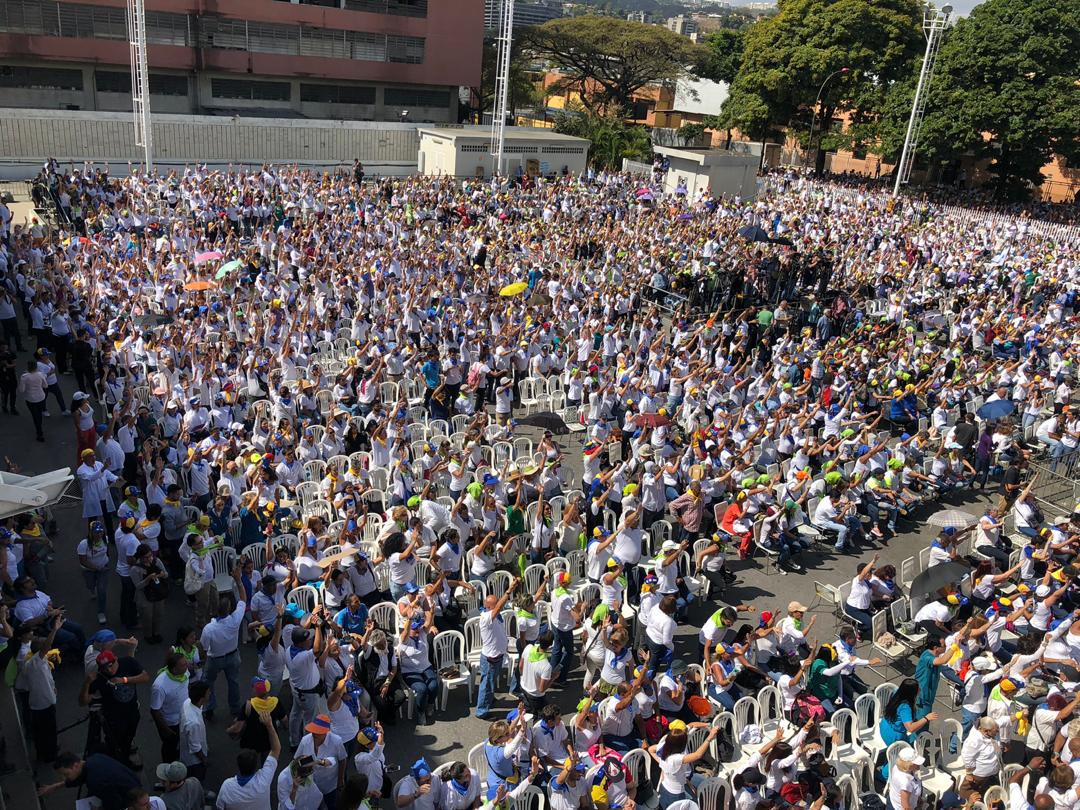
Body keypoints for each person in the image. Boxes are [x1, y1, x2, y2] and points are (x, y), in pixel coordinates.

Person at [215, 711, 282, 810]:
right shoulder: (263, 780)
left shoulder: (227, 786)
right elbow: (276, 749)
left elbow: (220, 807)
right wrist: (269, 725)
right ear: (256, 766)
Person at [646, 720, 719, 809]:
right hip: (675, 793)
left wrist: (662, 763)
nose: (687, 734)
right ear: (680, 743)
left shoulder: (664, 746)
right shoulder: (675, 759)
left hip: (665, 786)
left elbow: (650, 749)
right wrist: (710, 737)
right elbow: (698, 755)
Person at [476, 576, 519, 719]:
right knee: (486, 684)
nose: (499, 608)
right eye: (495, 606)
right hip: (490, 658)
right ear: (489, 607)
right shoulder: (486, 617)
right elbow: (499, 606)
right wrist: (509, 590)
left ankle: (488, 699)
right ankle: (482, 711)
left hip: (497, 656)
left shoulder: (494, 616)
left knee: (491, 682)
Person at [38, 751, 142, 810]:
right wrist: (56, 786)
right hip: (133, 785)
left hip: (132, 800)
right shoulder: (94, 758)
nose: (64, 778)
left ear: (75, 765)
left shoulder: (96, 781)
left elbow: (114, 804)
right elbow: (79, 777)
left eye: (65, 774)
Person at [879, 678, 937, 776]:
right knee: (899, 755)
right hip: (894, 734)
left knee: (894, 750)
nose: (920, 690)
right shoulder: (905, 707)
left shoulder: (898, 694)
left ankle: (886, 763)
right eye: (917, 689)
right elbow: (910, 728)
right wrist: (926, 718)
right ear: (912, 692)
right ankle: (884, 775)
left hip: (885, 726)